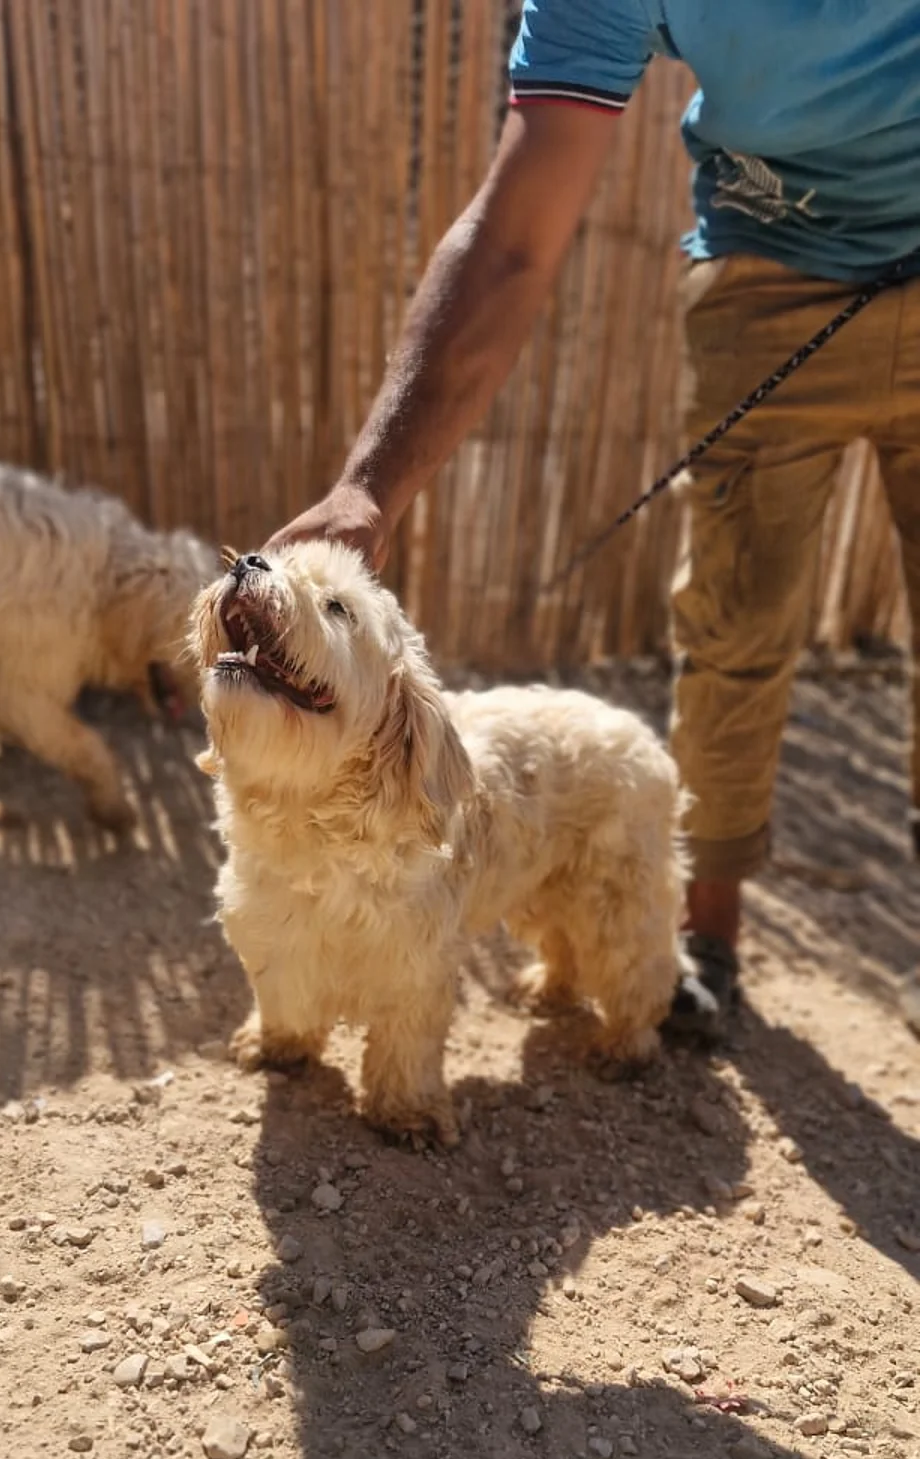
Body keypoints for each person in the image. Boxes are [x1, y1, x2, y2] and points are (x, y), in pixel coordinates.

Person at [268, 1, 920, 1041]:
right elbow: (513, 244)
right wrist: (366, 490)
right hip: (769, 273)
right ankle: (705, 942)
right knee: (734, 627)